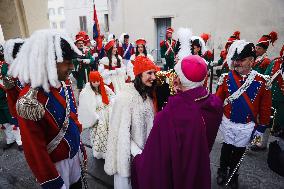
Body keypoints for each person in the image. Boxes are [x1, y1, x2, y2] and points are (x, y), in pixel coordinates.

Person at [131, 55, 223, 189]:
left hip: (177, 174)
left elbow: (154, 162)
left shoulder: (171, 114)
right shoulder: (215, 103)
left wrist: (137, 158)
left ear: (179, 79)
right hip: (199, 166)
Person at [8, 29, 84, 189]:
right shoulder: (29, 101)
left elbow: (73, 120)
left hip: (73, 156)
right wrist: (53, 182)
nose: (72, 66)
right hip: (56, 165)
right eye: (67, 61)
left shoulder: (65, 84)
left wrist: (80, 146)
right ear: (48, 61)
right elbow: (35, 151)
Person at [215, 40, 271, 189]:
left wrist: (261, 128)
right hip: (228, 122)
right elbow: (216, 102)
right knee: (226, 149)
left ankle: (234, 174)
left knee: (239, 152)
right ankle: (222, 170)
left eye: (241, 60)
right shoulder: (227, 78)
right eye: (235, 60)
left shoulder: (261, 81)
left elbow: (265, 108)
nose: (237, 63)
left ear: (252, 61)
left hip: (247, 126)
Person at [104, 56, 159, 189]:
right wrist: (138, 153)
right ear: (139, 75)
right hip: (128, 157)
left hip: (144, 157)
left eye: (154, 73)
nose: (153, 77)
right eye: (149, 73)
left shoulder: (147, 95)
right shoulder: (125, 98)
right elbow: (121, 133)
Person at [78, 71, 114, 159]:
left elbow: (112, 96)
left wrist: (111, 104)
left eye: (98, 81)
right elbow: (86, 106)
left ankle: (108, 151)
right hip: (97, 116)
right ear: (91, 82)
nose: (97, 83)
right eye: (94, 81)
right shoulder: (87, 92)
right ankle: (99, 153)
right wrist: (94, 116)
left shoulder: (104, 88)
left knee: (108, 133)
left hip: (106, 113)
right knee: (97, 134)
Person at [0, 39, 25, 151]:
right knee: (3, 121)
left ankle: (20, 140)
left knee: (13, 119)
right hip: (3, 99)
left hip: (8, 97)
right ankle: (10, 139)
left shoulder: (5, 66)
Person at [264, 45, 284, 138]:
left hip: (282, 101)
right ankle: (260, 143)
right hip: (270, 97)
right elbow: (266, 77)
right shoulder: (275, 63)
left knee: (279, 126)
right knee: (264, 122)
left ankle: (276, 147)